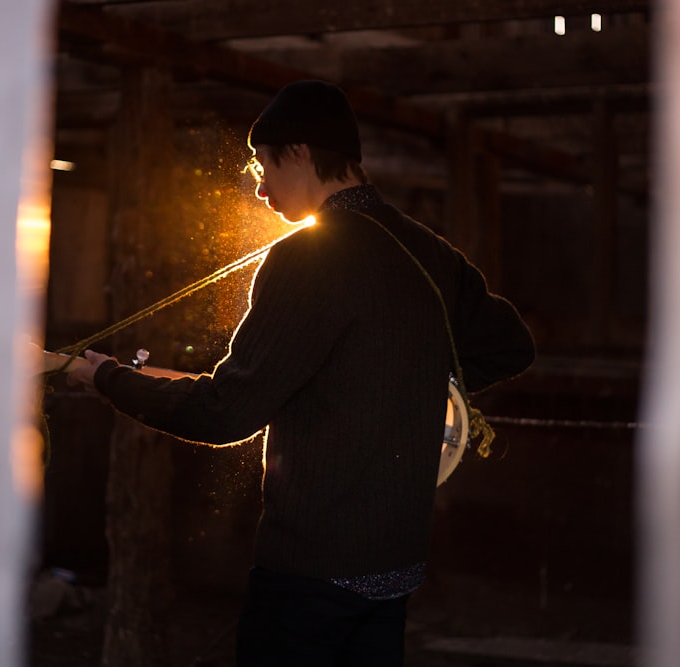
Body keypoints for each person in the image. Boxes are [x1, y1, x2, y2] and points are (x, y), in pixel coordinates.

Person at [65, 79, 535, 666]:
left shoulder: (305, 256)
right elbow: (512, 345)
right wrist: (417, 386)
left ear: (301, 153)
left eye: (264, 163)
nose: (259, 187)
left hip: (311, 574)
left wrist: (102, 378)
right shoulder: (428, 252)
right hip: (395, 566)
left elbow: (225, 413)